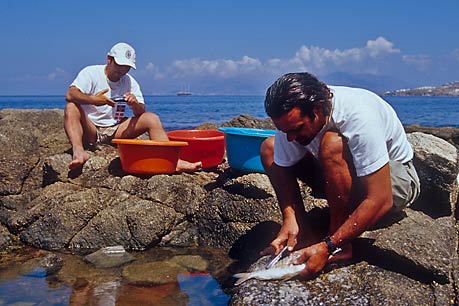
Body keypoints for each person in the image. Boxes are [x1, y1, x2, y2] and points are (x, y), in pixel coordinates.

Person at [260, 72, 420, 277]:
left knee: (331, 143)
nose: (290, 138)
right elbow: (280, 154)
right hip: (345, 176)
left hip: (395, 181)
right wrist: (290, 219)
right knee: (270, 148)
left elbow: (381, 199)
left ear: (317, 110)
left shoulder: (359, 114)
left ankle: (339, 244)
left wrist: (329, 245)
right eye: (284, 130)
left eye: (297, 129)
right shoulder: (292, 122)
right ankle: (304, 234)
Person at [64, 42, 201, 172]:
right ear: (109, 59)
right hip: (91, 129)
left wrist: (134, 104)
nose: (122, 71)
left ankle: (171, 161)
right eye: (119, 65)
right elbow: (71, 94)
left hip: (116, 129)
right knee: (71, 107)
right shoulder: (91, 73)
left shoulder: (130, 81)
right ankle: (79, 153)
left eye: (126, 67)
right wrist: (94, 100)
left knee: (151, 118)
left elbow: (141, 112)